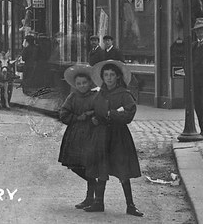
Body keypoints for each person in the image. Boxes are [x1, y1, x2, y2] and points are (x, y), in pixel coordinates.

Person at [85, 60, 143, 216]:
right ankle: (98, 202)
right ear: (102, 77)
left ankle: (130, 205)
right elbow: (92, 110)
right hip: (102, 134)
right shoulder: (98, 94)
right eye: (106, 75)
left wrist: (111, 114)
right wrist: (94, 119)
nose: (109, 78)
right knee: (101, 167)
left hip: (118, 136)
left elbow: (129, 113)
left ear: (118, 77)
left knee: (122, 168)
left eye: (112, 75)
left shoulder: (124, 94)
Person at [58, 63, 98, 209]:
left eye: (84, 83)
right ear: (75, 85)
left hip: (91, 135)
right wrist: (77, 117)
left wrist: (92, 114)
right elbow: (63, 114)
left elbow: (101, 111)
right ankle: (93, 184)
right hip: (75, 136)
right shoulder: (72, 97)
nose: (82, 86)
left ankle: (90, 197)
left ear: (89, 83)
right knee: (74, 165)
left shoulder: (95, 97)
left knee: (89, 164)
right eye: (78, 83)